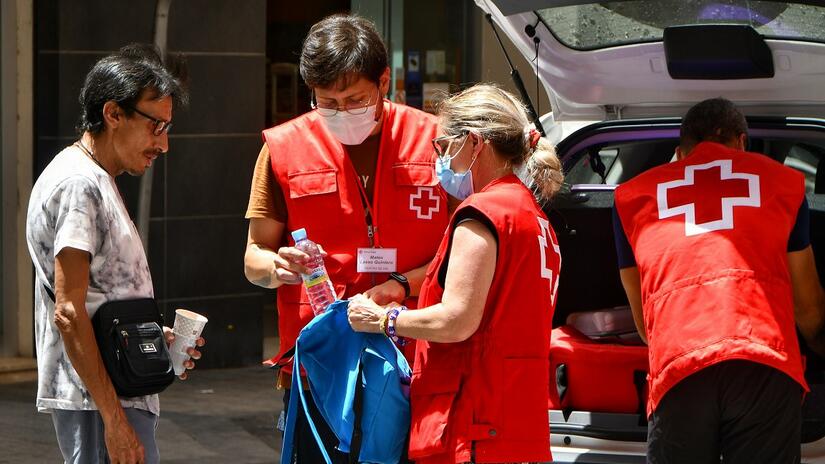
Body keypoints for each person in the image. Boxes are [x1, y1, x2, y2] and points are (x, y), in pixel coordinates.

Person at [243, 14, 451, 461]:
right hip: (323, 363)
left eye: (355, 99)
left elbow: (464, 254)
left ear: (384, 80)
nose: (341, 112)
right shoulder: (282, 148)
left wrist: (403, 284)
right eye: (327, 102)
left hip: (418, 357)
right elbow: (253, 257)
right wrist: (276, 267)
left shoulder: (436, 141)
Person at [348, 84, 564, 464]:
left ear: (474, 142)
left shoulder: (483, 212)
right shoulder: (532, 215)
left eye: (444, 146)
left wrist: (384, 320)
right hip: (514, 417)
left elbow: (457, 320)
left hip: (475, 421)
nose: (442, 158)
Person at [612, 97, 825, 463]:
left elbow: (647, 325)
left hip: (681, 365)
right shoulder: (783, 184)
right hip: (763, 362)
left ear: (680, 152)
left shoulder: (631, 197)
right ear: (743, 142)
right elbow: (808, 310)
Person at [26, 44, 205, 464]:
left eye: (167, 128)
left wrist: (144, 336)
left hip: (110, 392)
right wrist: (113, 420)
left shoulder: (93, 177)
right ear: (113, 113)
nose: (163, 145)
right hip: (98, 401)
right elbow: (69, 312)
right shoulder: (79, 184)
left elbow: (95, 301)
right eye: (155, 126)